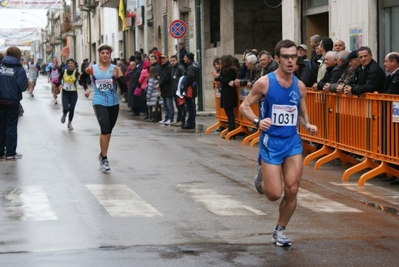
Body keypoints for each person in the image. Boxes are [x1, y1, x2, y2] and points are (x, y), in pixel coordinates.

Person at [239, 40, 317, 247]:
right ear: (277, 59)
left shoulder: (299, 85)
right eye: (286, 57)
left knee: (292, 190)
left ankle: (280, 230)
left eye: (294, 57)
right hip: (270, 141)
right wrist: (257, 121)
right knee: (274, 194)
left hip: (292, 142)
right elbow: (245, 106)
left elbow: (302, 113)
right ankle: (262, 175)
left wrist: (307, 125)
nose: (291, 61)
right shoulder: (264, 82)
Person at [78, 44, 126, 172]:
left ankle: (102, 153)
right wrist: (86, 89)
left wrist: (117, 77)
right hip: (99, 102)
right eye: (102, 53)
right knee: (104, 129)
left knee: (109, 131)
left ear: (110, 55)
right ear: (99, 54)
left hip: (114, 103)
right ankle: (104, 158)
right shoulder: (92, 69)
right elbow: (81, 78)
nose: (105, 55)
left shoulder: (116, 68)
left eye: (107, 53)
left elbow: (125, 88)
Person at [0, 46, 28, 160]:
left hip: (0, 100)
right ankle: (10, 153)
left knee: (1, 125)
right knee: (11, 126)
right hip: (12, 101)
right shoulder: (19, 69)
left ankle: (0, 151)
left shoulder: (0, 67)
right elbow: (23, 87)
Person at [382, 52, 399, 185]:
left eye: (386, 61)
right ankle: (393, 171)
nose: (384, 64)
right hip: (392, 114)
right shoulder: (391, 76)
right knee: (393, 143)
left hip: (396, 114)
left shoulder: (397, 76)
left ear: (394, 62)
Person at [211, 55, 238, 136]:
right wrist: (217, 76)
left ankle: (231, 130)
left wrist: (218, 77)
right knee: (227, 111)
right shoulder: (224, 70)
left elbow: (226, 80)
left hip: (229, 93)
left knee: (230, 112)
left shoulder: (232, 71)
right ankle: (230, 129)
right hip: (225, 92)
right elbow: (222, 79)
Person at [58, 58, 81, 130]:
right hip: (65, 93)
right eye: (69, 63)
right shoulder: (63, 72)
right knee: (66, 108)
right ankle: (64, 114)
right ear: (67, 64)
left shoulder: (76, 72)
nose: (70, 64)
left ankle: (69, 123)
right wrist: (60, 84)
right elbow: (59, 79)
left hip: (73, 94)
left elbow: (81, 81)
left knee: (71, 109)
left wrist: (80, 79)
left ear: (74, 64)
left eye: (72, 63)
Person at [182, 52, 200, 129]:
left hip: (190, 89)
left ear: (189, 58)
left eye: (185, 57)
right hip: (193, 89)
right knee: (191, 107)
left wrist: (184, 83)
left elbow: (190, 78)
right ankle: (191, 122)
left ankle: (190, 123)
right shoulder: (194, 66)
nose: (184, 59)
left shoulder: (190, 68)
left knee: (190, 107)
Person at [157, 54, 174, 125]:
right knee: (165, 105)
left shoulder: (169, 67)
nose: (162, 60)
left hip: (168, 89)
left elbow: (166, 78)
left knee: (169, 104)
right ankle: (167, 117)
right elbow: (161, 77)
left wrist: (159, 84)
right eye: (161, 58)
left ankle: (170, 118)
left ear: (167, 58)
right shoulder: (163, 67)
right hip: (163, 89)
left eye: (164, 58)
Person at [170, 54, 186, 126]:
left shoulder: (180, 68)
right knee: (177, 106)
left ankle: (182, 120)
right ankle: (178, 119)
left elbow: (183, 78)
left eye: (174, 61)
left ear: (177, 60)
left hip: (179, 91)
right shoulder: (173, 68)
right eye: (171, 61)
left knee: (181, 106)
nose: (172, 62)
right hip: (174, 90)